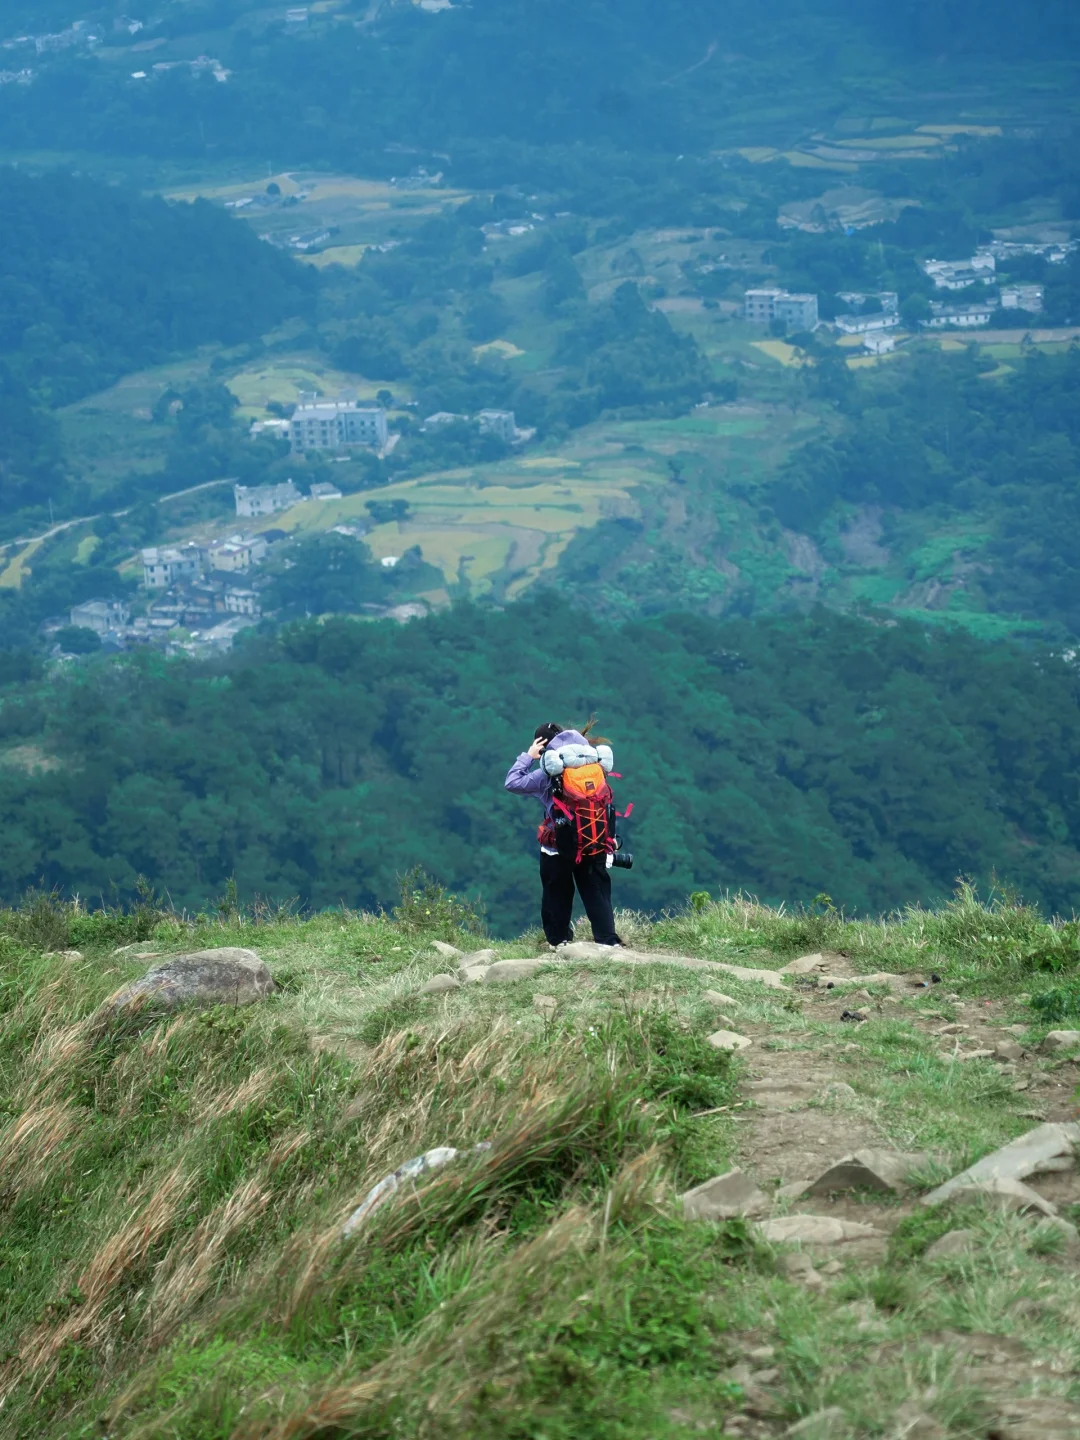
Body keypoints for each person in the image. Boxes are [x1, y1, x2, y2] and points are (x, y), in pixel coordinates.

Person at [505, 723, 623, 949]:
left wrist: (528, 756)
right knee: (596, 891)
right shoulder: (595, 764)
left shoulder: (546, 774)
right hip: (594, 842)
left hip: (558, 846)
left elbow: (512, 782)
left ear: (543, 748)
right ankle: (607, 941)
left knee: (556, 893)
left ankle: (559, 942)